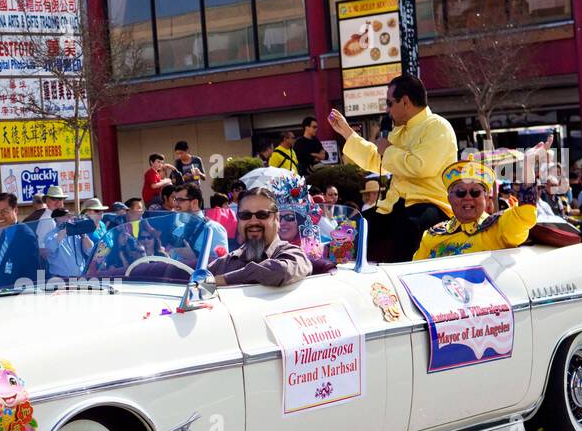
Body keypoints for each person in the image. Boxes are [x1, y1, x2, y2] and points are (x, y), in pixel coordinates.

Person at [329, 74, 457, 262]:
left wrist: (389, 150)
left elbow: (421, 167)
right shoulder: (399, 130)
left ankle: (397, 288)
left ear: (405, 102)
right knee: (347, 229)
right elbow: (376, 159)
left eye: (390, 103)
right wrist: (347, 132)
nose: (388, 110)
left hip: (430, 203)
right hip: (395, 205)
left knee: (407, 228)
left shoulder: (437, 126)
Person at [413, 161, 538, 261]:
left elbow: (525, 214)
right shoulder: (432, 235)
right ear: (449, 199)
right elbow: (414, 274)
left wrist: (528, 165)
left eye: (475, 192)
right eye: (460, 192)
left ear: (486, 198)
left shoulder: (499, 228)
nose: (468, 197)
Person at [207, 189, 312, 287]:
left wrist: (225, 280)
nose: (253, 221)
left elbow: (283, 271)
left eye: (262, 215)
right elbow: (198, 284)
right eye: (245, 215)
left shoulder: (292, 253)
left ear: (277, 219)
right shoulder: (224, 263)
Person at [173, 186, 230, 255]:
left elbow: (222, 261)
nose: (175, 204)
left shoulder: (214, 229)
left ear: (194, 203)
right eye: (175, 200)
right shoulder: (179, 230)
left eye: (180, 200)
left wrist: (194, 258)